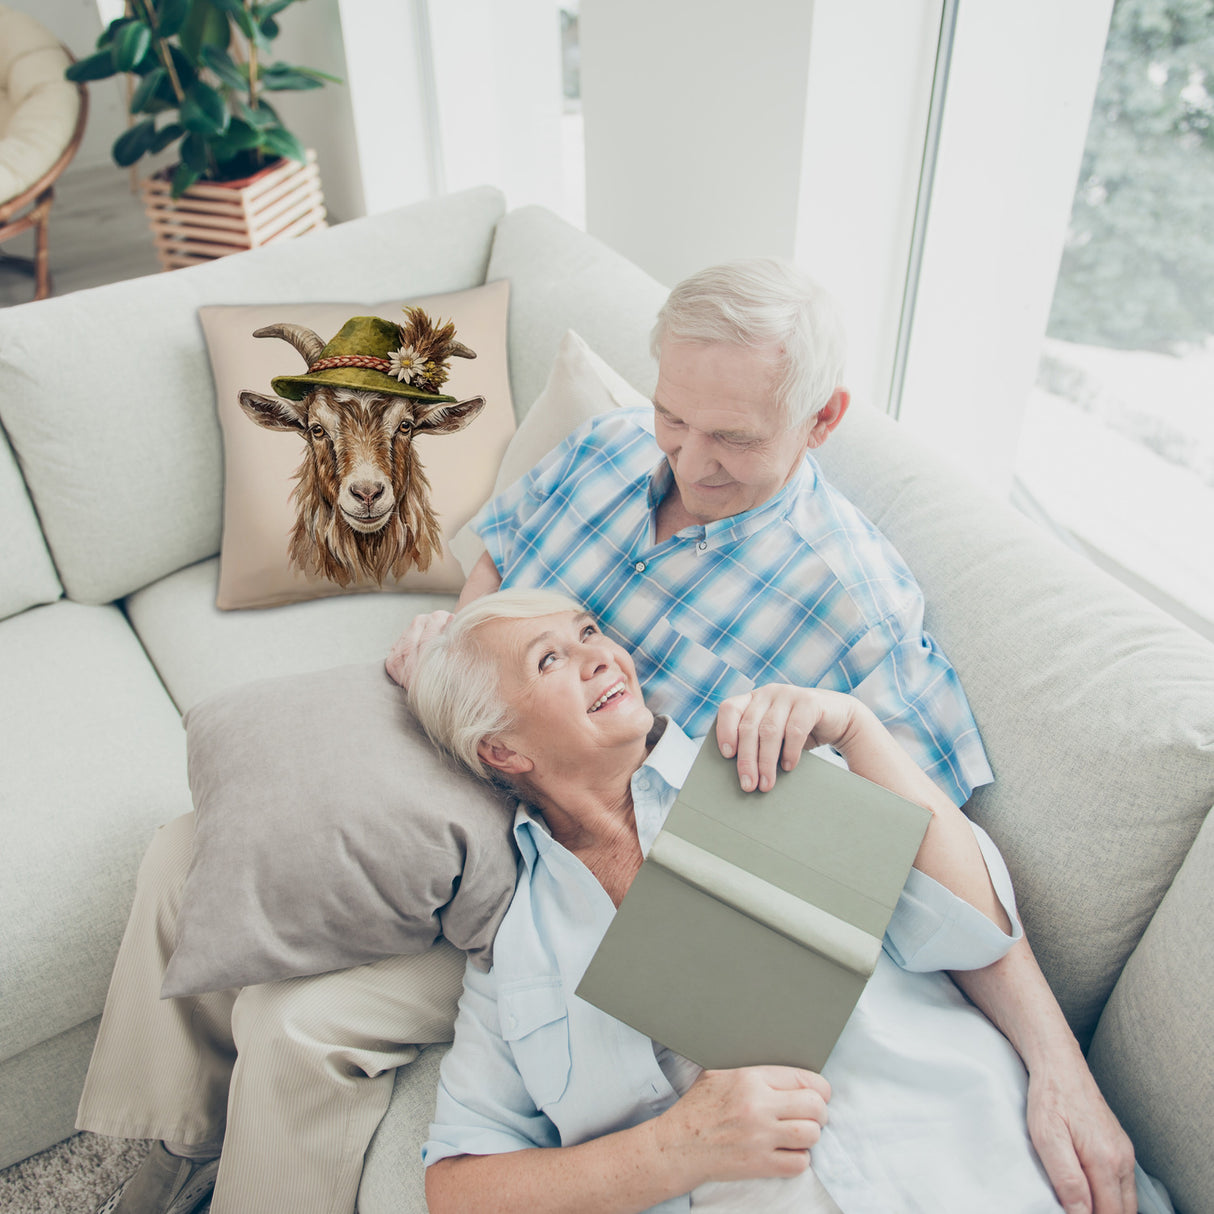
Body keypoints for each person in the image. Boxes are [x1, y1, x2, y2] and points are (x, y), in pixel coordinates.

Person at [79, 260, 1131, 1214]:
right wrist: (456, 642)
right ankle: (159, 1150)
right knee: (192, 846)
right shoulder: (608, 447)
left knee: (300, 1024)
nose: (687, 457)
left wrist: (1057, 1063)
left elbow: (927, 855)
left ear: (820, 420)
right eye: (674, 415)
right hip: (487, 746)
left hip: (577, 851)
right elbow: (499, 565)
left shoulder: (853, 607)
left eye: (732, 438)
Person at [407, 588, 1157, 1214]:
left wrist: (858, 730)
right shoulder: (516, 952)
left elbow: (972, 929)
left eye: (589, 632)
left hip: (988, 1166)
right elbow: (457, 1186)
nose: (601, 654)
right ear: (502, 750)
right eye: (550, 659)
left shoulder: (761, 761)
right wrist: (672, 1150)